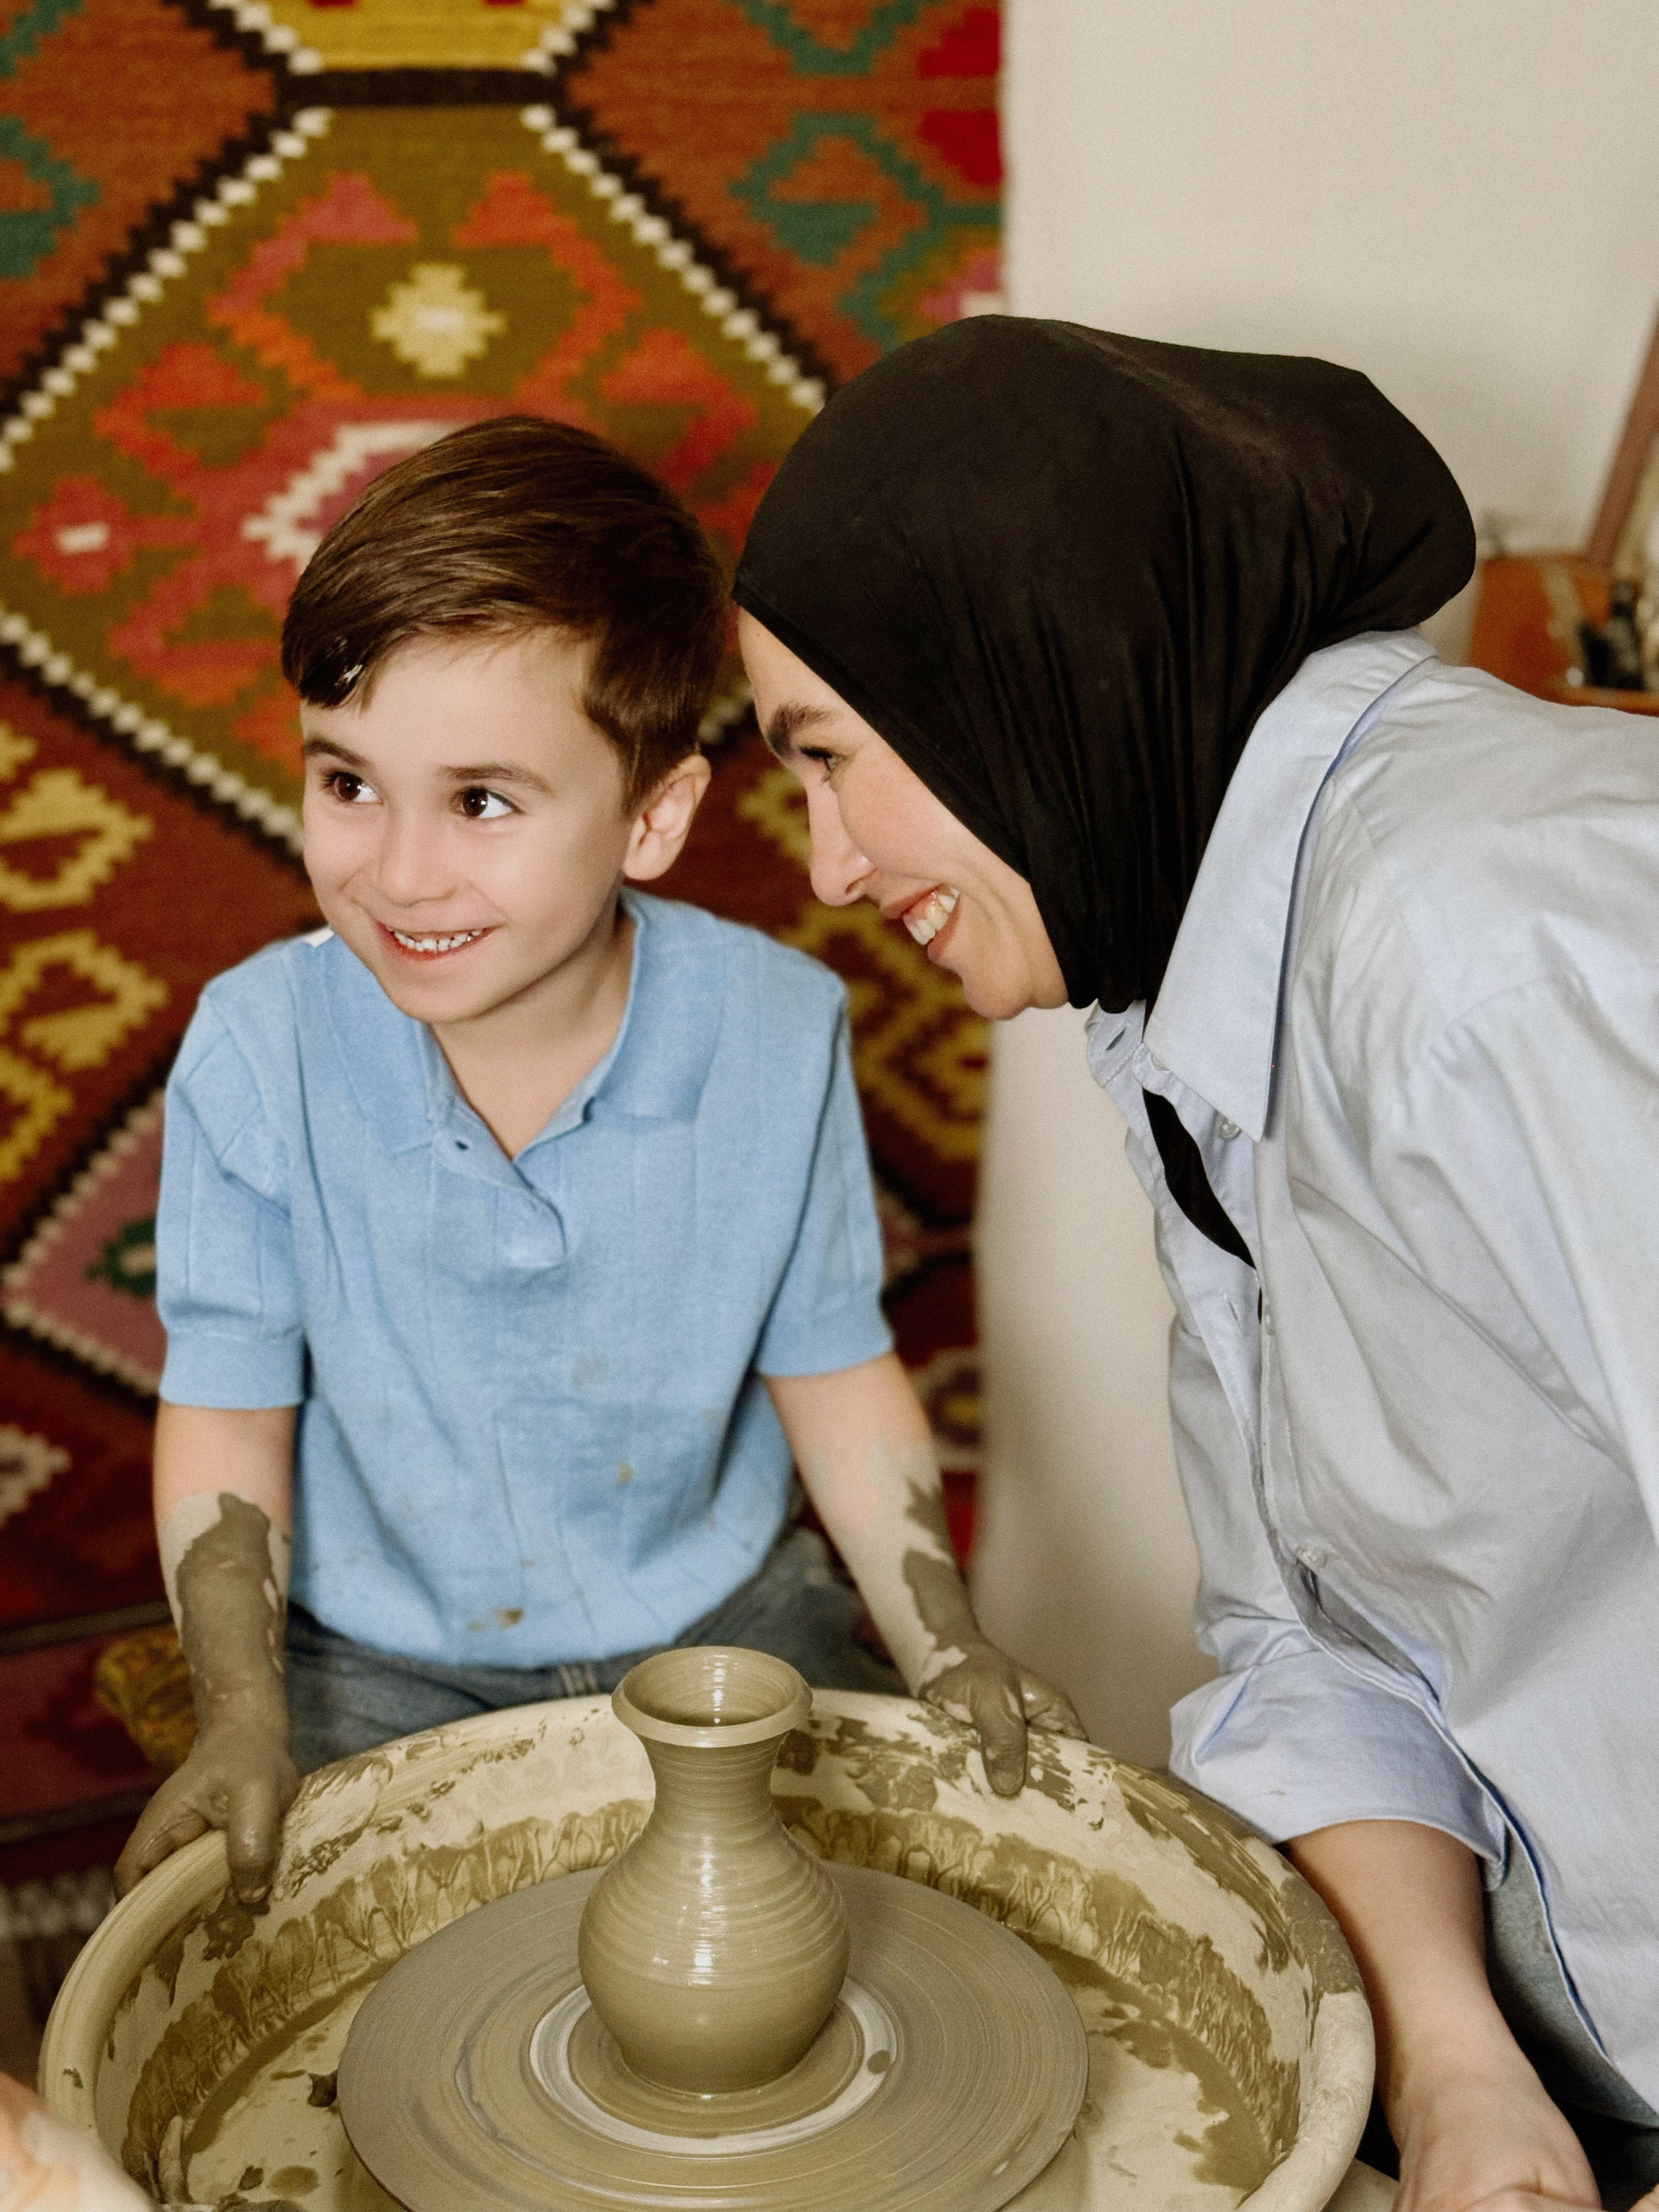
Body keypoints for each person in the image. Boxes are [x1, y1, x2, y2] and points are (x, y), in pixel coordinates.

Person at [732, 318, 1659, 2212]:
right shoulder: (1189, 997)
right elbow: (1313, 1636)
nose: (824, 862)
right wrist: (1461, 2069)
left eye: (830, 757)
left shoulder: (1487, 945)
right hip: (1557, 1994)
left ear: (1007, 652)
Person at [115, 415, 1082, 1911]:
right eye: (347, 782)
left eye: (481, 801)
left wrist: (946, 1638)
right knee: (292, 1940)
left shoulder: (776, 1029)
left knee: (883, 1910)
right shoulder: (256, 1048)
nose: (398, 869)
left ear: (653, 816)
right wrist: (242, 1711)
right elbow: (229, 1406)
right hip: (370, 1655)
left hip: (721, 1620)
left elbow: (831, 1369)